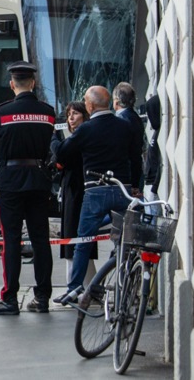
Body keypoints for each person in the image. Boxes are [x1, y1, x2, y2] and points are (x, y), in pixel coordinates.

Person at [51, 85, 142, 304]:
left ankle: (75, 288)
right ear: (109, 103)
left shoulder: (87, 129)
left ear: (90, 106)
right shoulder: (124, 126)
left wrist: (54, 140)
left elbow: (63, 153)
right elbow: (136, 158)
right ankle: (124, 284)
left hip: (95, 190)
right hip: (122, 189)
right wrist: (135, 186)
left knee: (83, 240)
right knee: (123, 241)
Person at [0, 61, 56, 315]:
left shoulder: (3, 113)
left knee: (11, 240)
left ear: (12, 84)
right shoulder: (47, 112)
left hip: (11, 182)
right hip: (38, 180)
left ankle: (10, 298)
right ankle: (43, 297)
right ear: (33, 83)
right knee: (40, 239)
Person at [53, 101, 95, 283]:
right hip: (75, 189)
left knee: (73, 236)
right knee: (81, 238)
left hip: (77, 191)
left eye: (75, 113)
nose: (71, 118)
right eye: (69, 114)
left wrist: (53, 139)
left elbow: (60, 153)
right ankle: (89, 284)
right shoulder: (84, 135)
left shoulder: (80, 136)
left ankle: (75, 284)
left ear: (85, 116)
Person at [113, 82, 145, 185]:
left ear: (117, 102)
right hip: (135, 169)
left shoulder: (121, 119)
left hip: (126, 172)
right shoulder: (135, 116)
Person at [142, 94, 162, 194]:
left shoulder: (160, 134)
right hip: (151, 183)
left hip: (154, 185)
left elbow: (162, 163)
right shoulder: (157, 132)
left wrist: (154, 188)